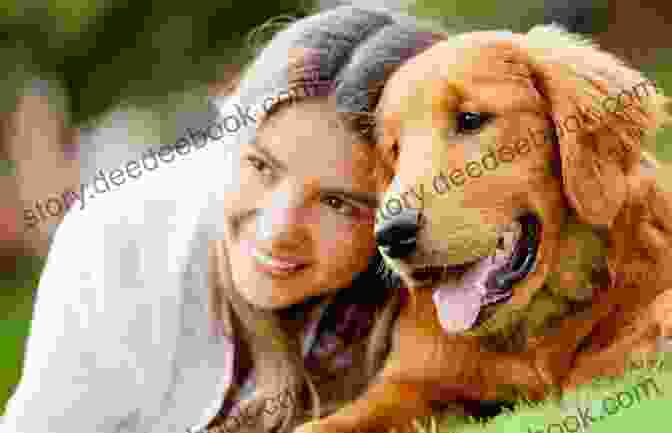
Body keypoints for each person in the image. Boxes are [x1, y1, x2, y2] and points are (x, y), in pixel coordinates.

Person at [0, 6, 446, 433]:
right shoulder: (117, 244)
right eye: (261, 167)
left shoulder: (422, 274)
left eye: (338, 203)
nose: (278, 231)